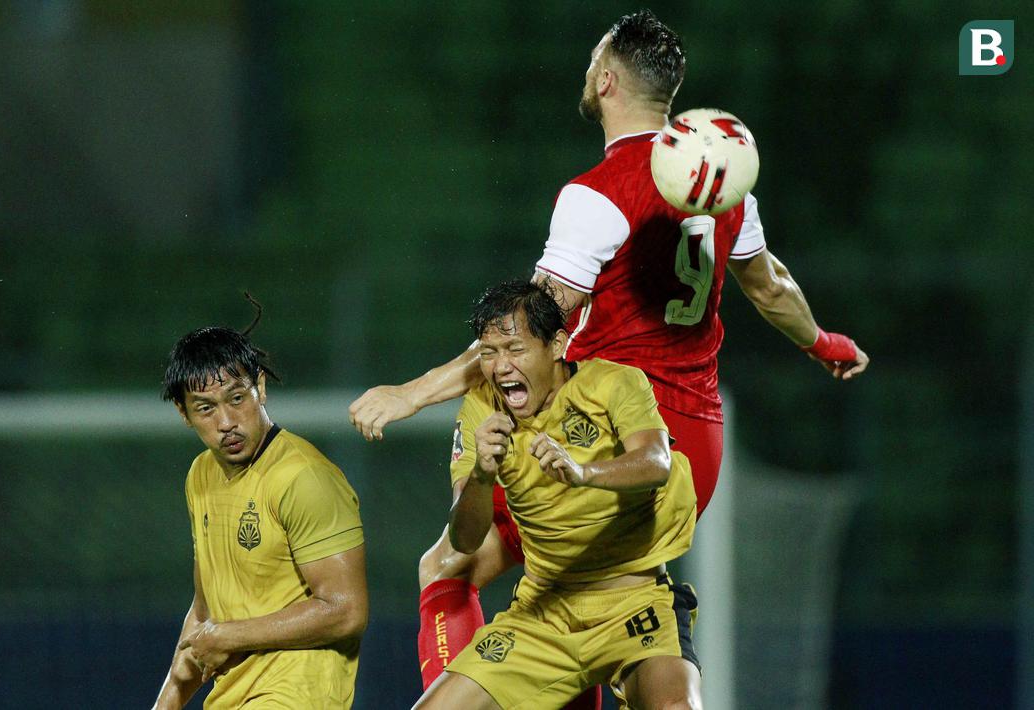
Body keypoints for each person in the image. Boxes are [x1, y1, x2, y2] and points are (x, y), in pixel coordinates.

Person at [348, 9, 869, 699]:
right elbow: (768, 285)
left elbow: (525, 332)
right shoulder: (720, 179)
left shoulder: (597, 194)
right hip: (696, 447)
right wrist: (822, 342)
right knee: (602, 594)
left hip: (606, 425)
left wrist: (411, 393)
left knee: (451, 567)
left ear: (603, 79)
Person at [414, 279, 701, 709]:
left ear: (558, 344)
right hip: (544, 616)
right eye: (489, 353)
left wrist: (582, 472)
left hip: (635, 604)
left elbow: (656, 463)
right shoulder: (480, 408)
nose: (501, 367)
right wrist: (480, 476)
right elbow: (465, 540)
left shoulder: (614, 384)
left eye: (515, 349)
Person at [151, 324, 368, 710]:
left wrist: (229, 637)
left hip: (297, 695)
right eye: (206, 408)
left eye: (237, 398)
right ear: (183, 413)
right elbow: (206, 611)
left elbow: (346, 610)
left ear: (260, 388)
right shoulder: (200, 475)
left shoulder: (304, 477)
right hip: (232, 697)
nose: (227, 421)